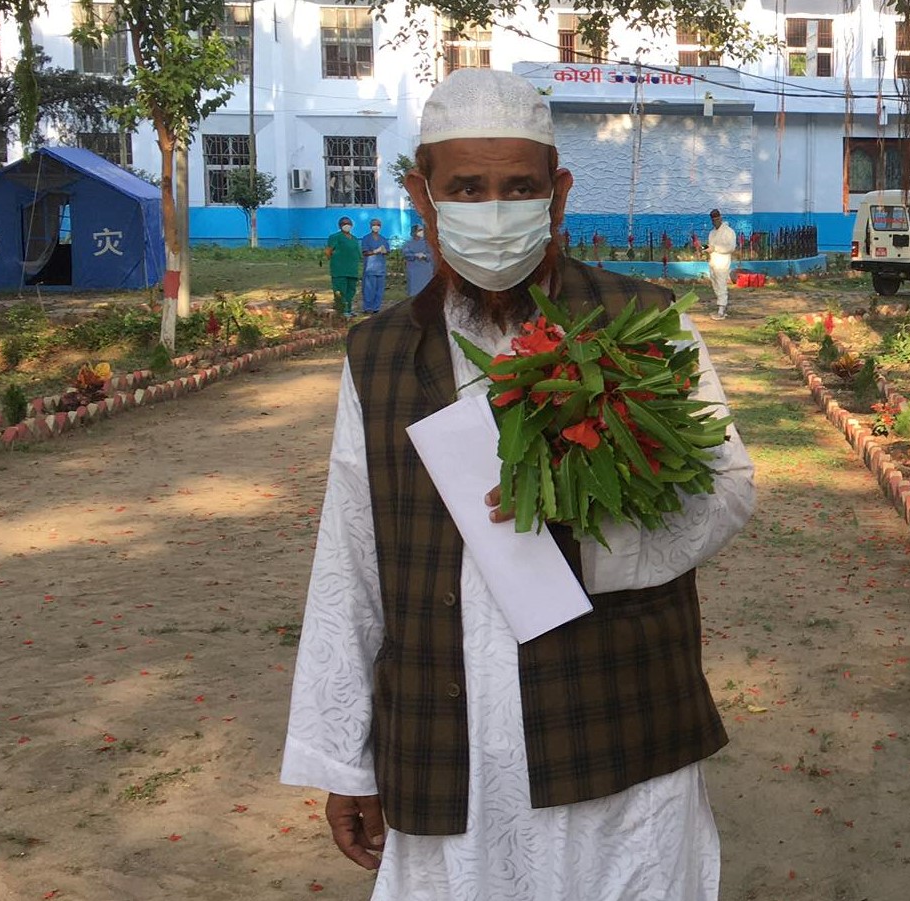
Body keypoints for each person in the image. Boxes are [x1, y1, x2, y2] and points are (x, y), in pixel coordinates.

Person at [281, 68, 757, 901]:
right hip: (448, 750)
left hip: (616, 740)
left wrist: (590, 503)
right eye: (466, 187)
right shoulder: (381, 356)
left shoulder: (642, 321)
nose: (493, 209)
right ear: (423, 199)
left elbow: (725, 487)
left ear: (558, 194)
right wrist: (343, 758)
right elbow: (351, 557)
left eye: (518, 187)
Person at [324, 216, 362, 319]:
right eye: (344, 223)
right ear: (340, 226)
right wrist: (336, 260)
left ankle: (349, 310)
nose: (346, 225)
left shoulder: (354, 239)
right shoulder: (335, 237)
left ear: (352, 225)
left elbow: (358, 254)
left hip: (352, 269)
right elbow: (328, 251)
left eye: (348, 223)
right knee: (340, 291)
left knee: (351, 290)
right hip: (339, 269)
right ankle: (341, 310)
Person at [706, 209, 736, 320]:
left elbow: (730, 247)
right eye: (713, 220)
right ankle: (720, 306)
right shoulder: (712, 233)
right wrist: (702, 247)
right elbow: (710, 246)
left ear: (721, 218)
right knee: (715, 284)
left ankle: (721, 309)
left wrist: (715, 249)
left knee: (721, 284)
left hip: (722, 262)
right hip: (713, 262)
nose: (716, 222)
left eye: (717, 219)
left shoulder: (729, 232)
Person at [359, 218, 391, 314]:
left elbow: (388, 251)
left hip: (380, 268)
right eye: (374, 224)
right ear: (370, 226)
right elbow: (365, 252)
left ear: (380, 227)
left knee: (379, 289)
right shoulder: (366, 238)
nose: (376, 226)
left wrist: (385, 251)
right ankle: (368, 308)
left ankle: (376, 307)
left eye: (378, 225)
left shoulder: (383, 239)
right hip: (370, 267)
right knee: (369, 289)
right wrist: (375, 251)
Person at [403, 223, 434, 299]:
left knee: (426, 287)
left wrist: (425, 256)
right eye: (419, 230)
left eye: (422, 230)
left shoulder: (427, 243)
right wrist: (415, 255)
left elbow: (432, 254)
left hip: (425, 269)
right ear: (414, 232)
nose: (421, 232)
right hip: (413, 268)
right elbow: (406, 254)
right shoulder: (408, 243)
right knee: (414, 287)